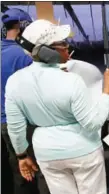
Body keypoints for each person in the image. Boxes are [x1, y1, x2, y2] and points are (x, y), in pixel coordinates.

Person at [5, 19, 109, 194]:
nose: (67, 47)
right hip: (84, 151)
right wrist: (108, 89)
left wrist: (22, 156)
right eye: (62, 43)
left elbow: (16, 127)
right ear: (45, 51)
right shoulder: (72, 80)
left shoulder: (14, 82)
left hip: (47, 153)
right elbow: (93, 123)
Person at [1, 8, 50, 194]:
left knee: (7, 176)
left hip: (2, 122)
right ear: (24, 27)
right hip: (18, 124)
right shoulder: (23, 56)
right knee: (28, 174)